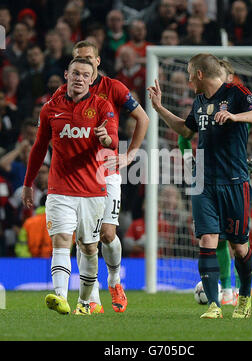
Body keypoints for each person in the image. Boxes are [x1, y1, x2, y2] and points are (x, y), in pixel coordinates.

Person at [148, 53, 252, 319]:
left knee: (239, 246)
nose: (190, 80)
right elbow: (186, 131)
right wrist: (159, 108)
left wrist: (236, 118)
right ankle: (214, 306)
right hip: (203, 180)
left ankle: (245, 297)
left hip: (235, 181)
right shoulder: (200, 101)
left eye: (191, 75)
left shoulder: (236, 91)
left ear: (200, 74)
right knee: (207, 240)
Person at [51, 40, 149, 313]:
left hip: (107, 172)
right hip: (77, 178)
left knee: (107, 234)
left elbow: (143, 118)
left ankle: (115, 279)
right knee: (85, 239)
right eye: (78, 59)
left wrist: (129, 154)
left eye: (88, 59)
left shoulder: (113, 88)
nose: (84, 64)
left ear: (97, 62)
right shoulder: (65, 92)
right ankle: (92, 299)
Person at [177, 58, 252, 305]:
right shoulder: (203, 102)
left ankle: (237, 290)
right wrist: (189, 164)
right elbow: (184, 137)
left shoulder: (238, 99)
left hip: (236, 175)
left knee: (236, 242)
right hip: (208, 178)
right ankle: (226, 291)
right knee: (214, 238)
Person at [22, 57, 119, 316]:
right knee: (62, 241)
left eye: (85, 75)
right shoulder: (50, 109)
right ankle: (61, 296)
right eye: (75, 73)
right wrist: (28, 183)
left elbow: (114, 140)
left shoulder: (101, 105)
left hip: (93, 190)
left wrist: (106, 138)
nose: (79, 78)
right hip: (59, 188)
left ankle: (85, 302)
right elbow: (39, 148)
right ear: (66, 74)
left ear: (91, 79)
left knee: (88, 247)